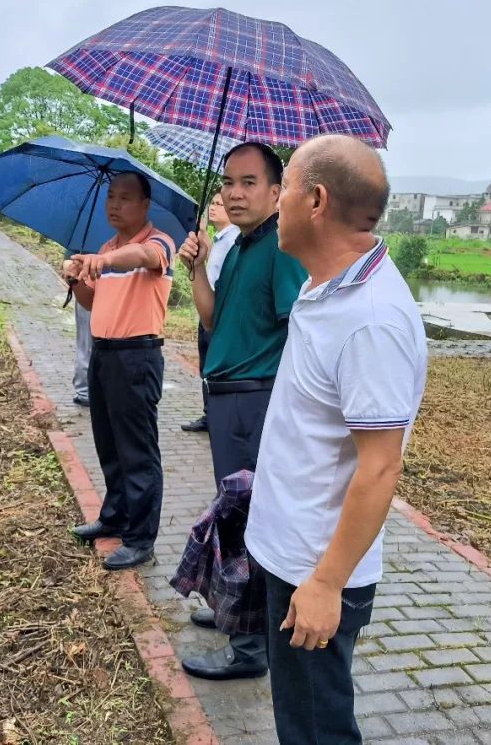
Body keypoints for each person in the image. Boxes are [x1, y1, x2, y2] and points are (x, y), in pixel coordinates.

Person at [245, 135, 428, 743]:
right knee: (299, 717)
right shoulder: (327, 284)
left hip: (316, 569)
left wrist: (326, 583)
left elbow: (380, 468)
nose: (276, 202)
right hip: (290, 550)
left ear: (315, 200)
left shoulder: (371, 319)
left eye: (286, 186)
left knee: (318, 729)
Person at [177, 142, 307, 681]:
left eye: (249, 182)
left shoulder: (280, 248)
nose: (234, 191)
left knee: (247, 519)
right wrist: (200, 268)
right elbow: (214, 323)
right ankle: (236, 614)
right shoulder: (243, 248)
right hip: (227, 395)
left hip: (255, 399)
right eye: (229, 181)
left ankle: (250, 649)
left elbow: (299, 325)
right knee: (235, 516)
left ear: (277, 192)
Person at [64, 172, 176, 571]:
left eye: (125, 198)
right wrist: (77, 279)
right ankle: (114, 517)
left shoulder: (158, 243)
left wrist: (104, 261)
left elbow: (145, 260)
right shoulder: (107, 246)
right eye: (111, 197)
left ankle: (140, 538)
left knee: (138, 452)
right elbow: (93, 303)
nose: (115, 205)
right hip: (105, 355)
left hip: (137, 357)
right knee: (109, 444)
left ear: (145, 205)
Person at [181, 193, 237, 432]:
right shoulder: (221, 239)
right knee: (205, 367)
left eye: (219, 204)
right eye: (212, 204)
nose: (213, 208)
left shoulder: (234, 240)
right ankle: (209, 414)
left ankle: (213, 416)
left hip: (218, 315)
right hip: (207, 312)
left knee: (212, 369)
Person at [62, 248, 93, 407]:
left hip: (102, 295)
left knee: (86, 344)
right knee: (87, 344)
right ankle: (85, 391)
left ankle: (84, 391)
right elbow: (68, 263)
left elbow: (67, 262)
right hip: (87, 293)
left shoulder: (87, 233)